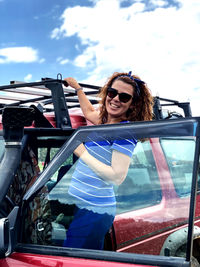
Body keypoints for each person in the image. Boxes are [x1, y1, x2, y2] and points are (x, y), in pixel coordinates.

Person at [63, 71, 153, 250]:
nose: (115, 99)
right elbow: (89, 111)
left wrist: (82, 153)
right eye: (112, 93)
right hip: (82, 204)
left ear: (133, 104)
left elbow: (117, 177)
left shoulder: (124, 133)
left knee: (70, 258)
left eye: (124, 97)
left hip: (94, 209)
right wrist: (77, 87)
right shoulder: (106, 122)